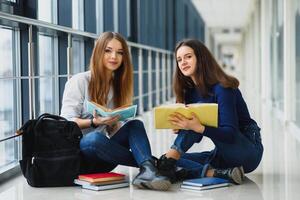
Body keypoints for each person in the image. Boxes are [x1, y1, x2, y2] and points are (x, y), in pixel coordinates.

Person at [60, 32, 171, 190]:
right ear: (99, 52)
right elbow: (66, 124)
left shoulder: (116, 87)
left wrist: (113, 123)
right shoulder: (79, 81)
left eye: (120, 53)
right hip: (80, 157)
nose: (114, 56)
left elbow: (113, 134)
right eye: (108, 51)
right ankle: (156, 166)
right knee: (95, 138)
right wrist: (93, 122)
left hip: (104, 158)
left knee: (135, 125)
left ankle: (147, 168)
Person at [157, 39, 263, 184]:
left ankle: (170, 159)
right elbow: (197, 136)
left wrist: (196, 127)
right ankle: (220, 174)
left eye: (188, 56)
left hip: (246, 151)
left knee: (167, 161)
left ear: (201, 58)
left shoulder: (223, 87)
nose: (183, 62)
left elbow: (230, 134)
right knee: (168, 161)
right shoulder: (189, 93)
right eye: (179, 59)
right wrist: (183, 127)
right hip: (222, 155)